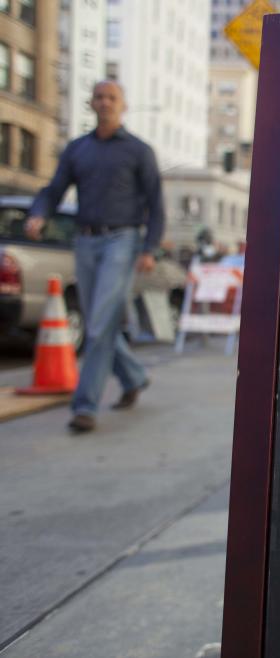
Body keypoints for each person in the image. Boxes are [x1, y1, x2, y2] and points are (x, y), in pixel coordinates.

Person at [26, 80, 164, 434]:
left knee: (100, 324)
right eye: (100, 97)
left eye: (112, 98)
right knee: (97, 323)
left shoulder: (139, 151)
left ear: (123, 105)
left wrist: (149, 248)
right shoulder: (77, 149)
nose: (105, 103)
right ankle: (134, 376)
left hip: (123, 240)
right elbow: (54, 189)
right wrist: (39, 213)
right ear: (91, 103)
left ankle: (85, 406)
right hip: (86, 242)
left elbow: (156, 203)